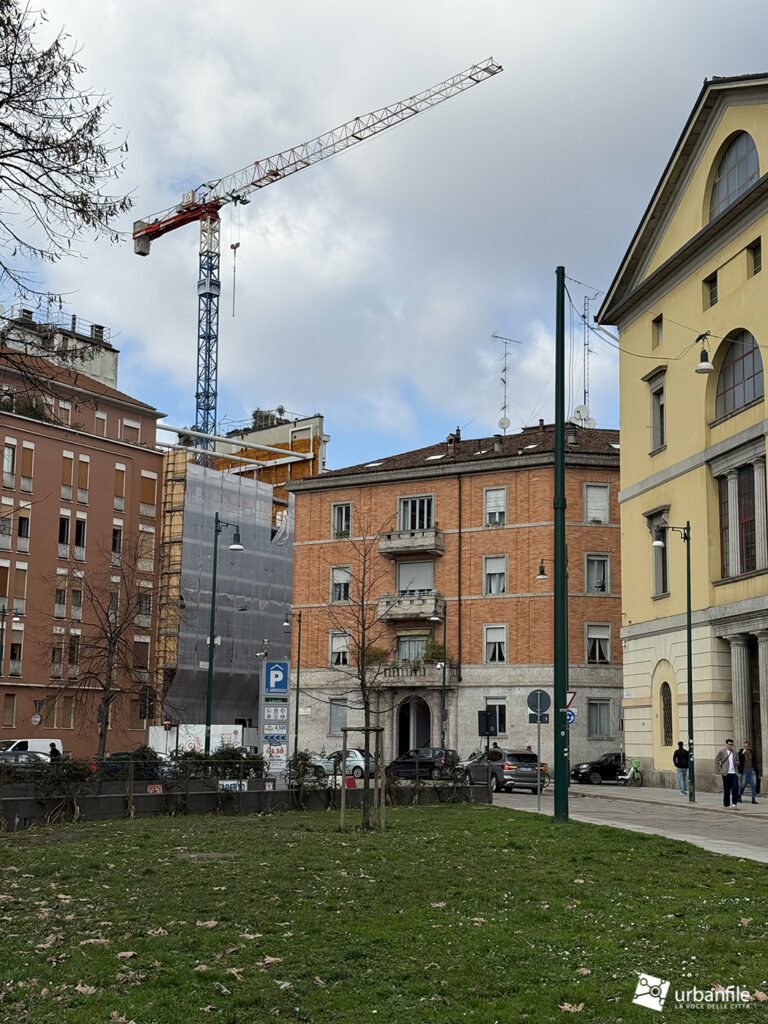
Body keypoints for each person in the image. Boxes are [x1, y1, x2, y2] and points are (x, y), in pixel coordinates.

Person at [715, 738, 740, 808]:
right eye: (729, 744)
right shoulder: (722, 752)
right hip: (726, 773)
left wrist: (737, 763)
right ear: (726, 744)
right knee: (727, 789)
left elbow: (737, 761)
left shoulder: (735, 753)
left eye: (732, 744)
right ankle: (726, 804)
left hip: (734, 773)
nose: (730, 746)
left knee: (735, 788)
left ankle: (734, 803)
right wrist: (720, 770)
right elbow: (717, 760)